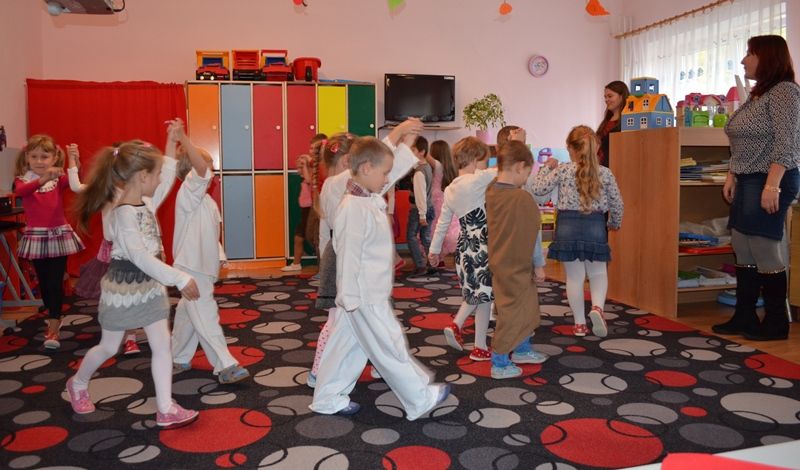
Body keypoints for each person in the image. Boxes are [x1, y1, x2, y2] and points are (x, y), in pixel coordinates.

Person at [310, 136, 450, 418]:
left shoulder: (365, 196)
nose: (387, 179)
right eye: (384, 173)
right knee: (388, 345)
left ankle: (327, 398)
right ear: (366, 169)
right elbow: (348, 256)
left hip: (365, 293)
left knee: (343, 349)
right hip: (362, 296)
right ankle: (419, 398)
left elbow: (389, 170)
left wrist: (405, 143)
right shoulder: (353, 207)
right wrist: (349, 295)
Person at [67, 138, 200, 428]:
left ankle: (165, 408)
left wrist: (171, 141)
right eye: (155, 174)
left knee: (162, 344)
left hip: (150, 285)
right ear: (142, 176)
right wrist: (179, 278)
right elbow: (138, 256)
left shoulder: (146, 201)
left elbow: (166, 178)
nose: (161, 179)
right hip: (124, 287)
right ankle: (77, 383)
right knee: (109, 346)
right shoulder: (123, 212)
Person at [308, 119, 422, 387]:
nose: (382, 175)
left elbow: (387, 172)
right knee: (340, 325)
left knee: (363, 324)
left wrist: (406, 143)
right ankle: (319, 372)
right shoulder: (337, 184)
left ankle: (379, 365)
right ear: (352, 162)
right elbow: (381, 164)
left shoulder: (355, 186)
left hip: (353, 264)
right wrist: (398, 133)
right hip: (345, 263)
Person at [713, 35, 800, 341]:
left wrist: (772, 185)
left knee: (764, 247)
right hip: (748, 178)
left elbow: (787, 143)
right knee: (743, 247)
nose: (743, 60)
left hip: (770, 178)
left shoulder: (785, 91)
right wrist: (732, 174)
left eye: (750, 53)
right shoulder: (760, 94)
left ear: (768, 57)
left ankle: (776, 322)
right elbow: (743, 142)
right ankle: (745, 315)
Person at [168, 119, 250, 384]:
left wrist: (220, 256)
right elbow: (201, 169)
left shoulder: (205, 201)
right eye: (208, 166)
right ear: (191, 172)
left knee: (188, 312)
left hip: (203, 266)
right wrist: (184, 139)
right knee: (205, 313)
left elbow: (211, 235)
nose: (212, 171)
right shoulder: (188, 193)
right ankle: (225, 364)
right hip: (191, 267)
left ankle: (178, 356)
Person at [534, 125, 623, 338]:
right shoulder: (605, 173)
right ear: (595, 147)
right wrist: (614, 222)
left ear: (571, 149)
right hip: (594, 224)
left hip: (567, 225)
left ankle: (580, 324)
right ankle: (597, 308)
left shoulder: (563, 170)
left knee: (574, 277)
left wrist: (546, 167)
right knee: (598, 272)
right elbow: (617, 203)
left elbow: (538, 189)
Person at [13, 135, 85, 350]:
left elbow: (75, 181)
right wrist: (43, 179)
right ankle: (52, 312)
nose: (39, 161)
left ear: (54, 158)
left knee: (54, 282)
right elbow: (21, 192)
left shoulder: (57, 180)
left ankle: (54, 324)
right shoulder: (23, 180)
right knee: (44, 283)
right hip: (37, 237)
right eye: (34, 156)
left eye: (44, 157)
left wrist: (74, 159)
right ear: (27, 157)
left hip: (57, 236)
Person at [486, 141, 549, 379]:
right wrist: (539, 264)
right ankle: (499, 362)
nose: (526, 179)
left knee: (525, 307)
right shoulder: (522, 198)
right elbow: (534, 235)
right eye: (527, 173)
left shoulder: (492, 191)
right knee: (513, 312)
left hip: (501, 261)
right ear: (520, 166)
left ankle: (522, 349)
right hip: (517, 264)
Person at [71, 144, 141, 355]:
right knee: (113, 296)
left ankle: (131, 337)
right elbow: (76, 187)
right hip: (110, 251)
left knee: (131, 294)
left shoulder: (136, 191)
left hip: (131, 250)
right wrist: (72, 160)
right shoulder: (106, 192)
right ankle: (114, 332)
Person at [429, 137, 495, 361]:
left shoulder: (450, 189)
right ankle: (460, 327)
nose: (486, 166)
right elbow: (506, 171)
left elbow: (442, 223)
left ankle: (478, 345)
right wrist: (516, 143)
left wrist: (434, 250)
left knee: (478, 293)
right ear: (475, 160)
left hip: (465, 245)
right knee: (484, 295)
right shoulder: (477, 180)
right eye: (484, 161)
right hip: (482, 244)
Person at [496, 125, 547, 282]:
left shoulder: (490, 182)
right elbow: (533, 227)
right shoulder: (520, 191)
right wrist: (538, 264)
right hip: (518, 255)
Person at [283, 133, 327, 272]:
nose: (312, 151)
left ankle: (323, 267)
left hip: (318, 204)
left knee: (317, 236)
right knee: (310, 235)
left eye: (315, 148)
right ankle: (321, 265)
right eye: (311, 148)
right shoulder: (314, 163)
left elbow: (309, 180)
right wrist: (304, 163)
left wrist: (307, 165)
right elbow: (304, 175)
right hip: (313, 204)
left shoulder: (322, 165)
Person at [407, 136, 437, 276]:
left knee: (411, 236)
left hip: (419, 210)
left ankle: (420, 266)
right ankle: (432, 264)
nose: (410, 152)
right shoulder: (427, 167)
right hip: (429, 207)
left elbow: (420, 195)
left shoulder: (419, 172)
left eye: (413, 149)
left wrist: (422, 214)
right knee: (425, 237)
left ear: (422, 152)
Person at [429, 140, 460, 258]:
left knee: (437, 230)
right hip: (445, 200)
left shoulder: (438, 167)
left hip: (437, 203)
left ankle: (438, 257)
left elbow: (425, 155)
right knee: (443, 229)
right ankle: (440, 257)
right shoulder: (450, 168)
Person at [596, 81, 630, 168]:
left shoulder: (627, 123)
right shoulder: (606, 121)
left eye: (610, 96)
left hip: (615, 167)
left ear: (621, 97)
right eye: (605, 97)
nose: (606, 100)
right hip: (601, 168)